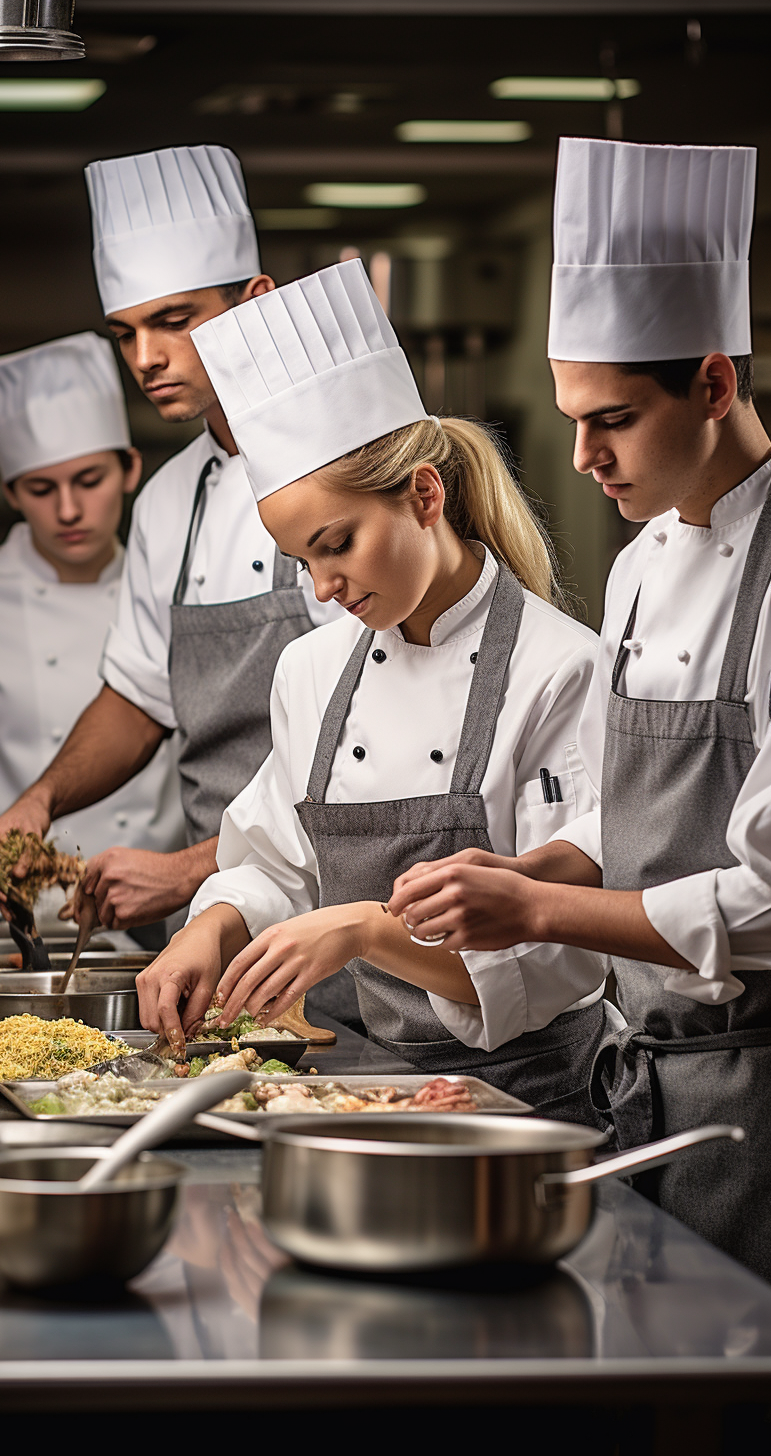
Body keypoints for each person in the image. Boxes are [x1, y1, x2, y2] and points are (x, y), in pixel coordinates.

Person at [387, 138, 771, 1279]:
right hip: (639, 1078)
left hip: (752, 1090)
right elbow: (647, 817)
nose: (579, 454)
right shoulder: (645, 562)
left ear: (713, 382)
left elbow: (762, 902)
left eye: (610, 418)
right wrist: (534, 870)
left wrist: (540, 915)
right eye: (569, 415)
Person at [135, 257, 616, 1117]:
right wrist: (213, 925)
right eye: (301, 561)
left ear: (425, 495)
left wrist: (363, 929)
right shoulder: (313, 671)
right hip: (385, 1095)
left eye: (337, 543)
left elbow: (558, 955)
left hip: (535, 1112)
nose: (322, 588)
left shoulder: (560, 669)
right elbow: (274, 859)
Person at [0, 145, 341, 945]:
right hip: (224, 930)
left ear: (256, 300)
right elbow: (141, 698)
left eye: (175, 322)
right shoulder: (172, 498)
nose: (146, 358)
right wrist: (40, 802)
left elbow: (378, 744)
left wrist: (189, 870)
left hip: (353, 916)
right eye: (125, 333)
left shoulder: (348, 480)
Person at [0, 331, 184, 904]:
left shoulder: (177, 593)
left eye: (89, 480)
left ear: (130, 469)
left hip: (149, 918)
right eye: (40, 488)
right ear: (11, 491)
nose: (68, 510)